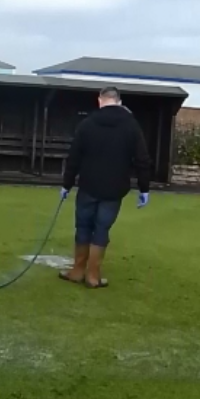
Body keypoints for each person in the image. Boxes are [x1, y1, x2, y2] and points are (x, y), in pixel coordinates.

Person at [58, 86, 152, 289]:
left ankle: (77, 271)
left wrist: (66, 184)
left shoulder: (87, 124)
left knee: (83, 226)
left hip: (88, 185)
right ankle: (93, 276)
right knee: (101, 229)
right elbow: (142, 159)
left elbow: (74, 157)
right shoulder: (131, 125)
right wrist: (144, 188)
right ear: (119, 101)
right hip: (114, 188)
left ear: (100, 100)